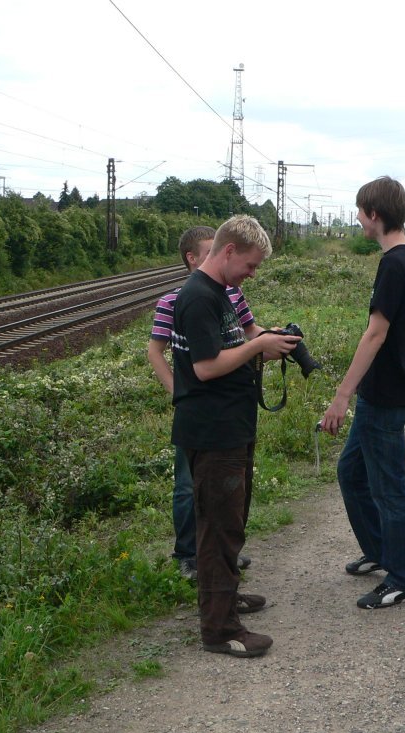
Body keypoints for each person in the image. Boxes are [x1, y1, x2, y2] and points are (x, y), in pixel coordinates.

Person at [171, 215, 301, 658]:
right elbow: (206, 367)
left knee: (231, 522)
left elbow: (231, 345)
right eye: (250, 265)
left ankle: (224, 599)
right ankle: (219, 629)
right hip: (211, 431)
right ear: (228, 252)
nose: (252, 273)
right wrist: (256, 347)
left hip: (231, 427)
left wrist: (271, 340)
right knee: (218, 528)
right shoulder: (196, 298)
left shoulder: (222, 294)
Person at [320, 176, 405, 610]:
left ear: (374, 215)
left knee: (388, 487)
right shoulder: (400, 258)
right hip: (378, 392)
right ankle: (381, 550)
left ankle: (402, 577)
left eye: (360, 212)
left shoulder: (395, 263)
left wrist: (342, 395)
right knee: (352, 473)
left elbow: (375, 333)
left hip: (386, 393)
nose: (358, 219)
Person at [147, 225, 255, 581]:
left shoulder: (231, 295)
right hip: (200, 410)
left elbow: (248, 334)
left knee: (225, 490)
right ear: (193, 259)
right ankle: (188, 553)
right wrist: (180, 392)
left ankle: (220, 557)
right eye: (208, 252)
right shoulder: (178, 301)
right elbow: (157, 352)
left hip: (225, 413)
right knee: (187, 484)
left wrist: (272, 342)